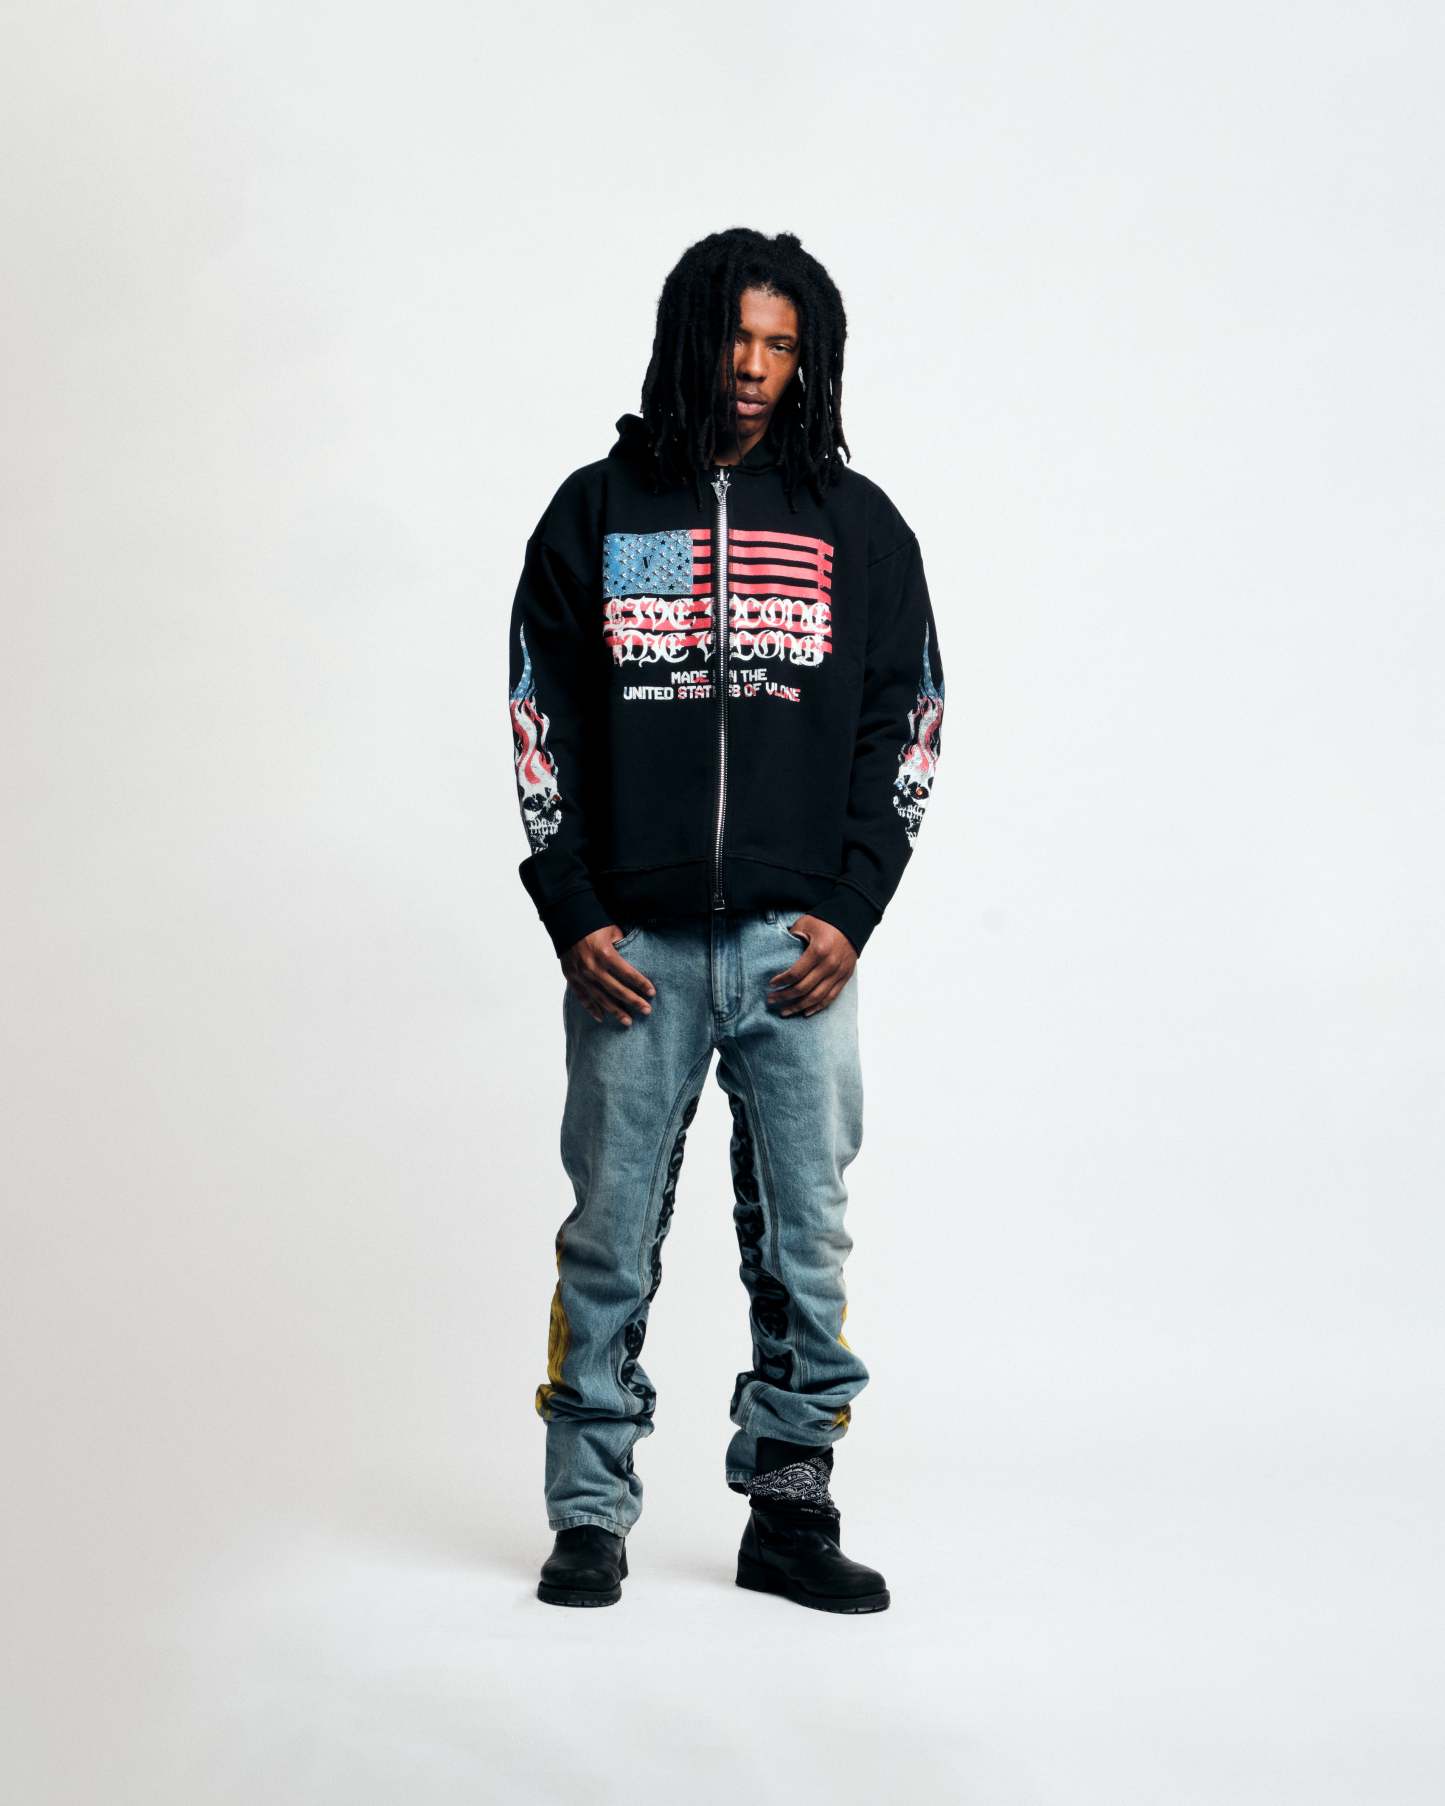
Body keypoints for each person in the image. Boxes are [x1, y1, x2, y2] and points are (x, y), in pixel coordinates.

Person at [507, 227, 945, 1613]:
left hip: (792, 951)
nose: (754, 369)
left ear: (806, 361)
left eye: (781, 346)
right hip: (631, 954)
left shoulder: (854, 525)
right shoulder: (596, 511)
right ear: (689, 340)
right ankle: (588, 1513)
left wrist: (852, 906)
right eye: (736, 339)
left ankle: (790, 1513)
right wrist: (573, 907)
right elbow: (538, 711)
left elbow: (908, 720)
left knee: (805, 1238)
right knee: (607, 1237)